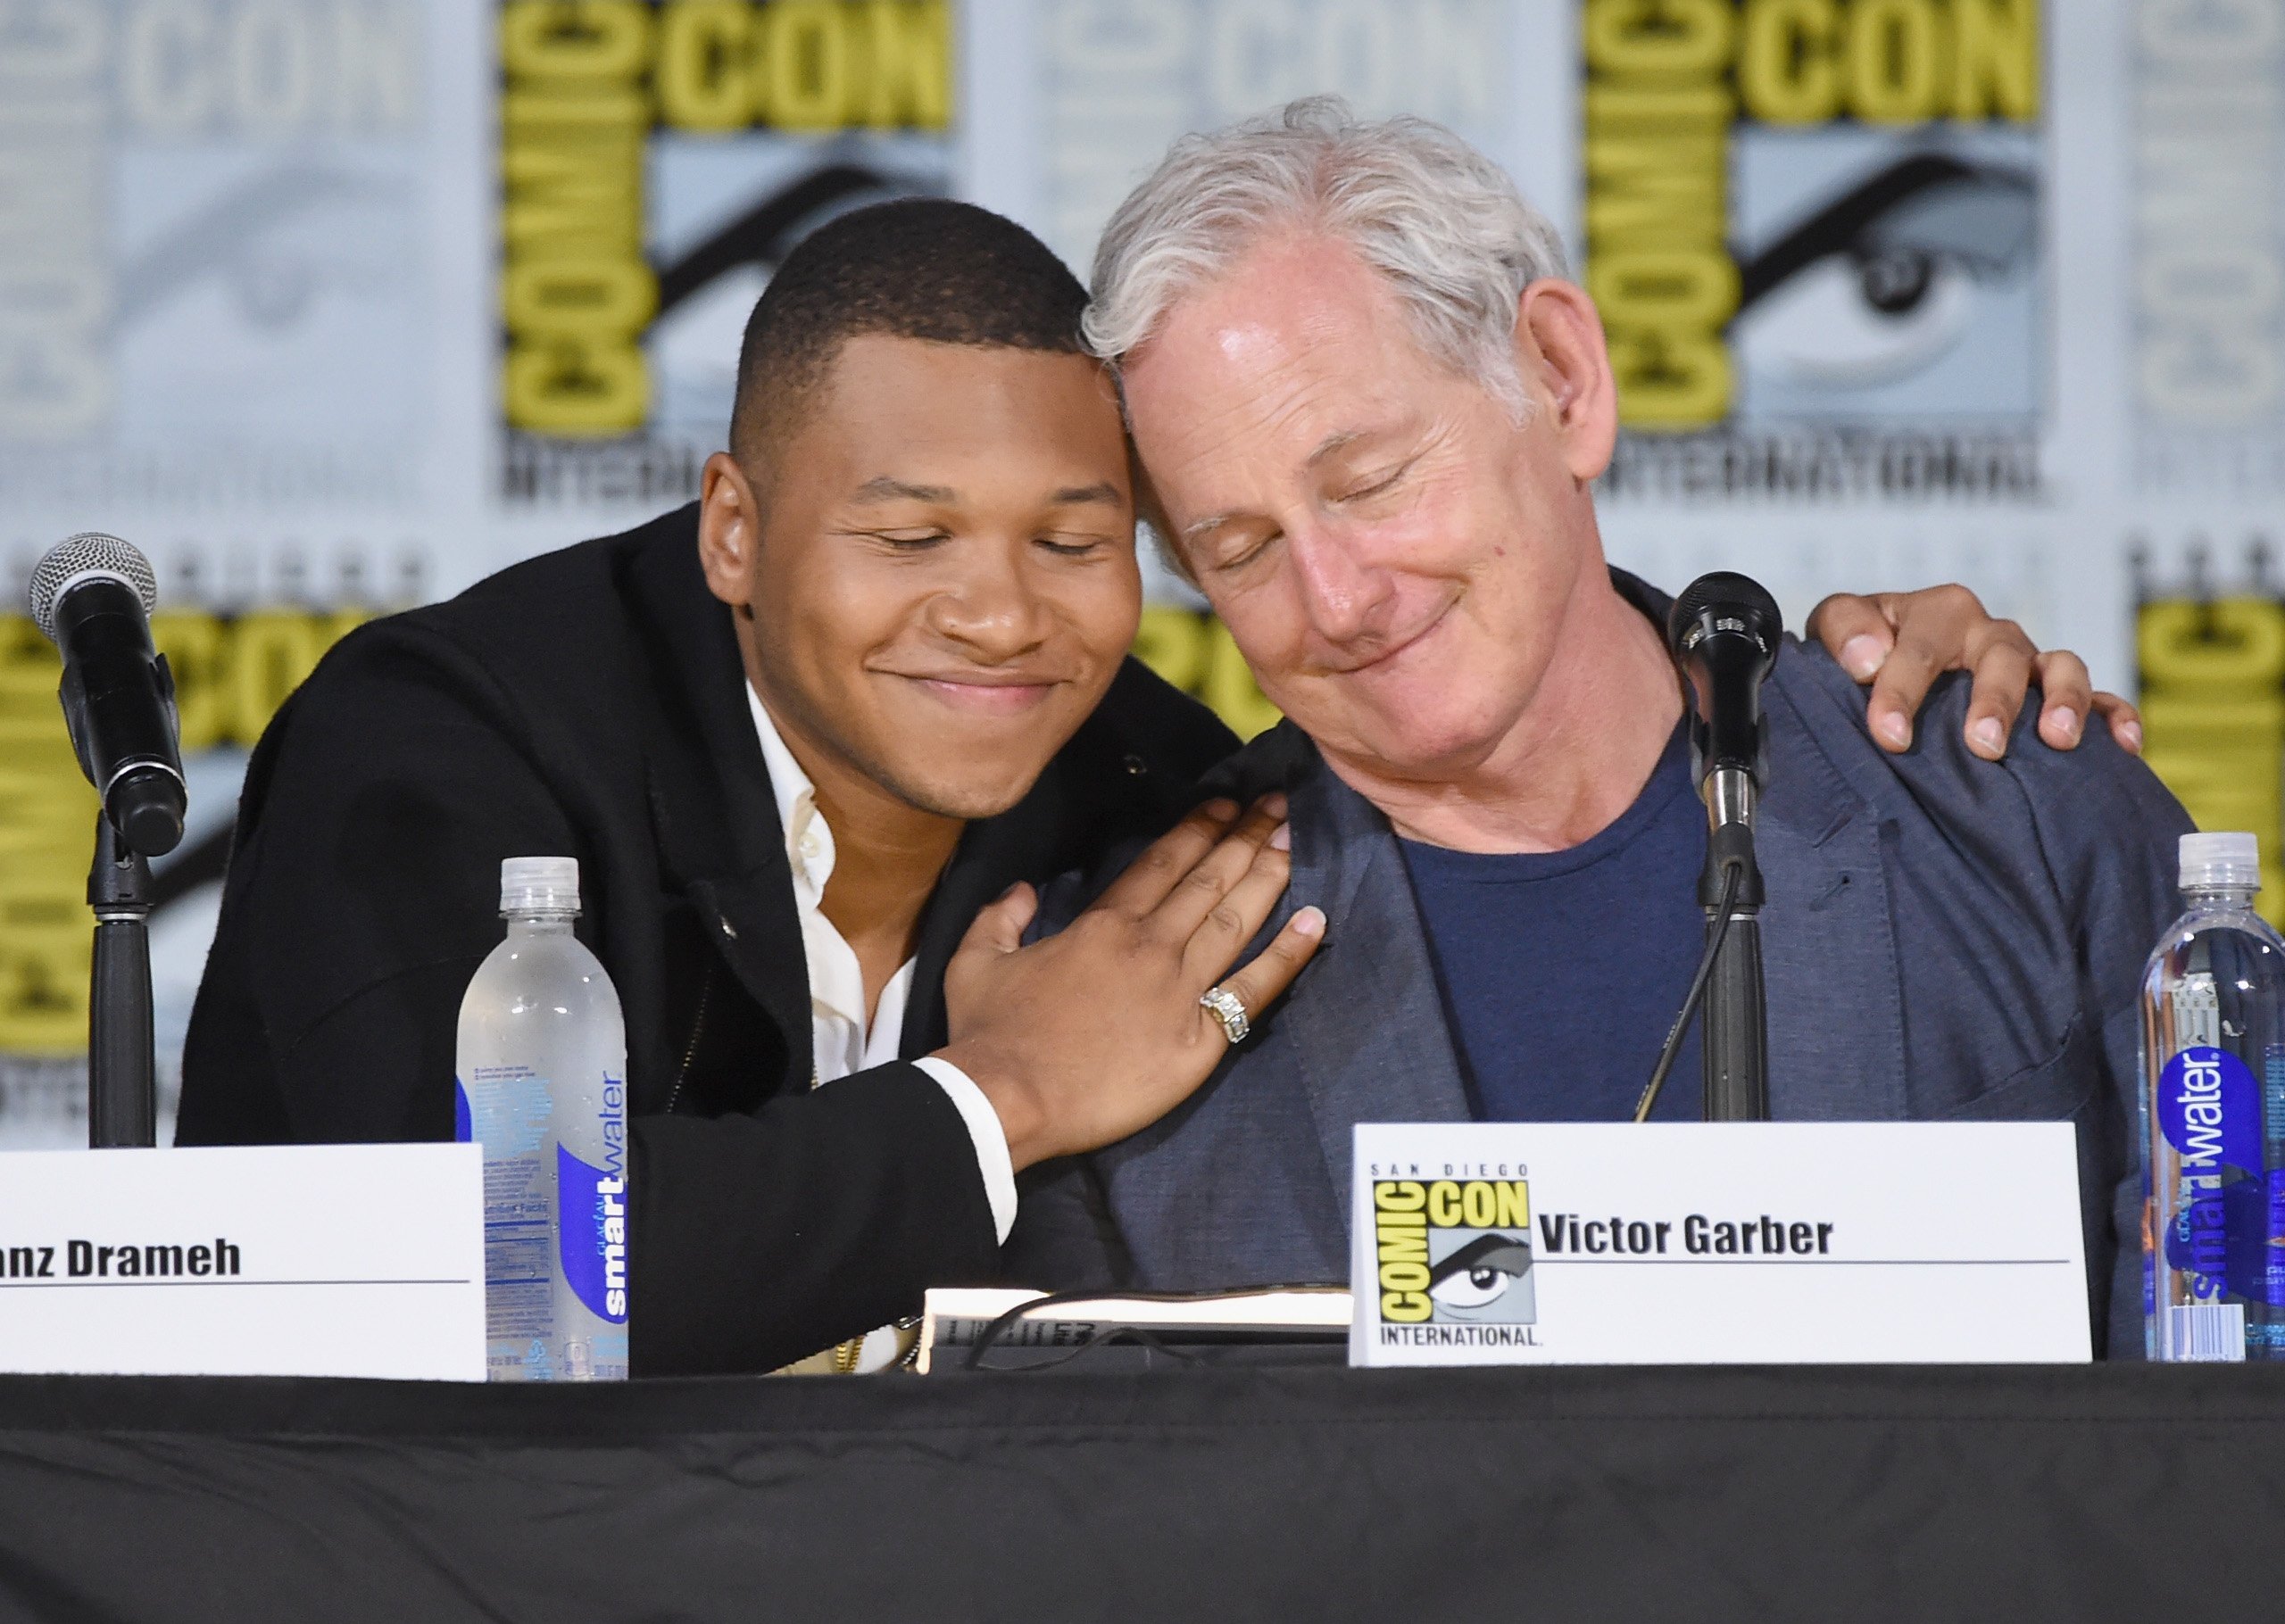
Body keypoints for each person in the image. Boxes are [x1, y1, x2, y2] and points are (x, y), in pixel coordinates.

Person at [176, 196, 2134, 1377]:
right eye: (909, 531)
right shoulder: (425, 748)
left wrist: (1815, 677)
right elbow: (476, 1279)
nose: (998, 616)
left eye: (1077, 536)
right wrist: (1002, 1098)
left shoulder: (1157, 805)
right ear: (733, 528)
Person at [1006, 101, 2187, 1358]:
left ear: (1562, 380)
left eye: (1371, 483)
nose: (1338, 601)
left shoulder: (2016, 807)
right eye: (1242, 553)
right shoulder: (1124, 1001)